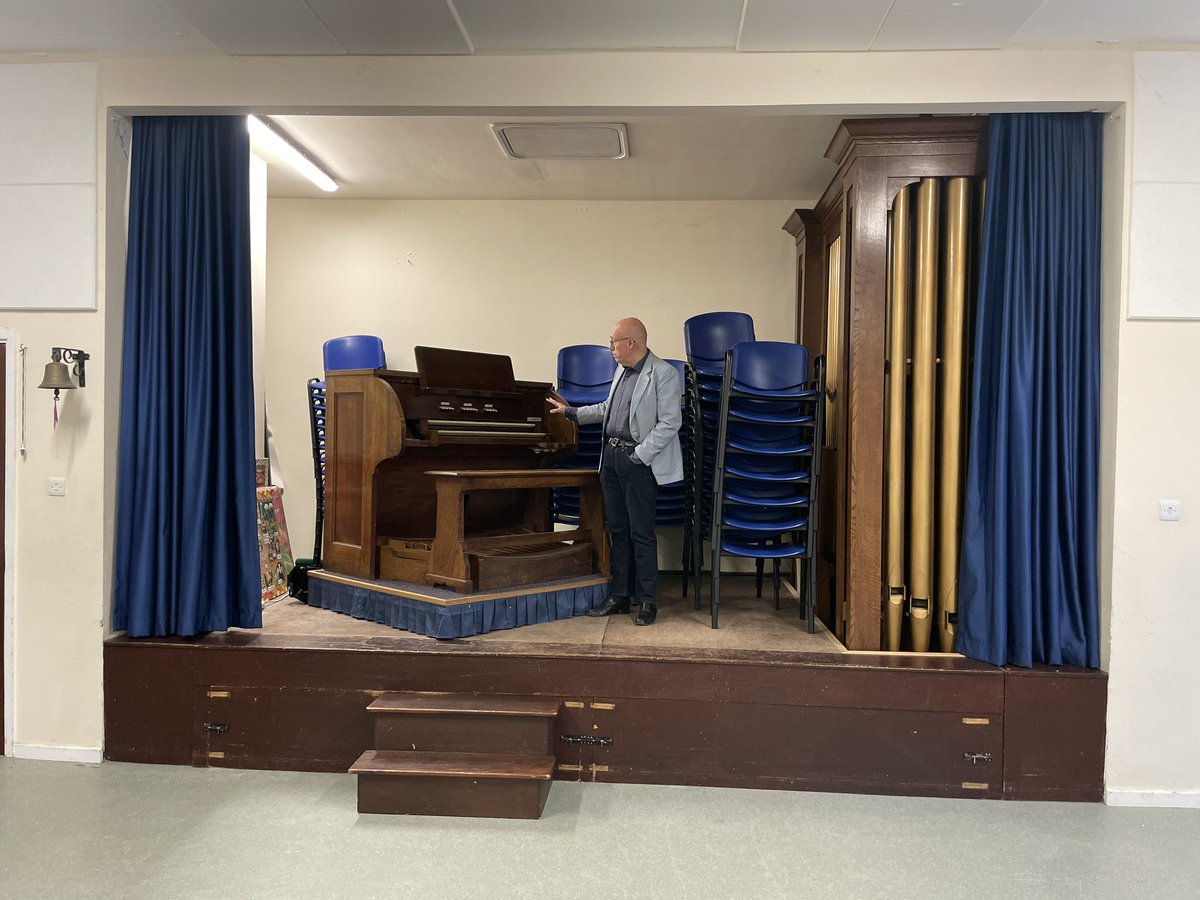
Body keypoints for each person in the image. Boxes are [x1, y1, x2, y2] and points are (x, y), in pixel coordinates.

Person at [548, 318, 683, 625]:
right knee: (618, 531)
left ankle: (647, 601)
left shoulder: (664, 374)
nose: (610, 348)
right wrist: (570, 413)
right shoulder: (620, 371)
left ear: (631, 343)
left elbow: (670, 422)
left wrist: (640, 454)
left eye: (614, 342)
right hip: (610, 458)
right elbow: (607, 407)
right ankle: (620, 597)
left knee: (642, 533)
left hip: (638, 462)